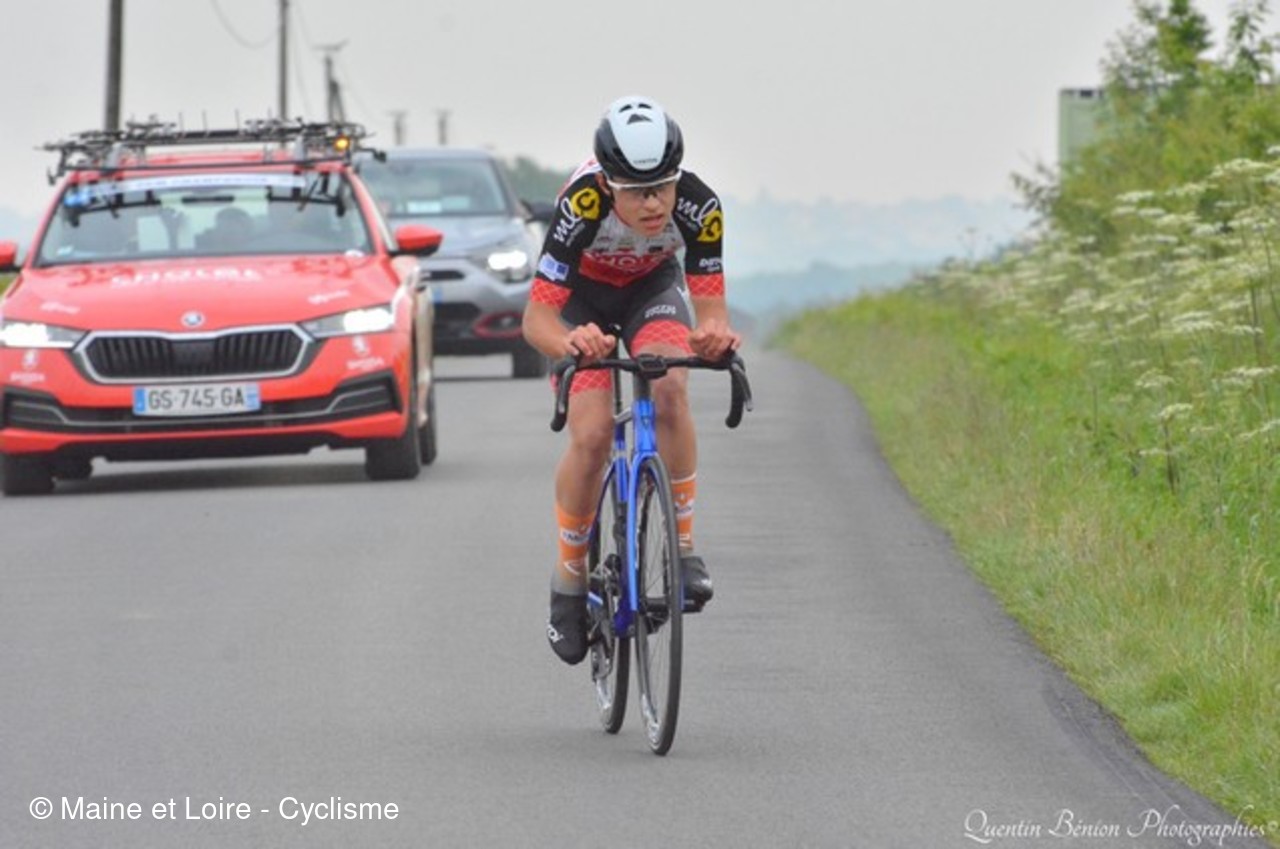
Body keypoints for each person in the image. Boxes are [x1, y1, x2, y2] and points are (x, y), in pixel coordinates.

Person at [521, 95, 741, 665]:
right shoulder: (581, 204)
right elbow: (537, 321)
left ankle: (683, 550)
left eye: (662, 187)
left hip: (651, 289)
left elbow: (711, 312)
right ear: (607, 183)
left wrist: (712, 337)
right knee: (593, 434)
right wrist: (570, 343)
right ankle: (569, 577)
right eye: (637, 191)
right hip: (580, 300)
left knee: (668, 385)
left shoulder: (699, 205)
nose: (653, 203)